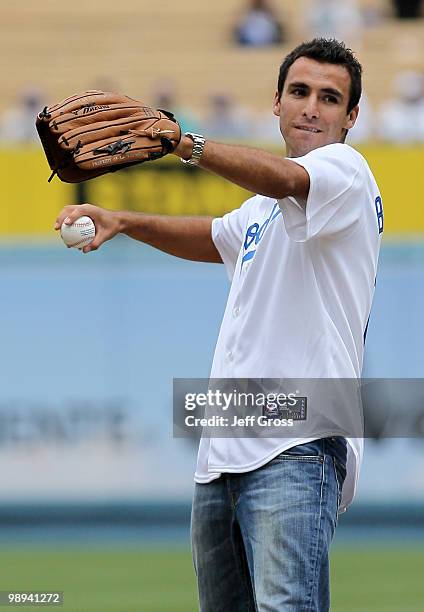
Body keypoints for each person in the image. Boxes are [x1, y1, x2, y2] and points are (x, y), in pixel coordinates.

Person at [54, 38, 383, 611]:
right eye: (299, 92)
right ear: (275, 104)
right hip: (225, 450)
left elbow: (284, 179)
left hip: (297, 444)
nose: (311, 107)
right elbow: (212, 237)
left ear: (351, 116)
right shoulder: (262, 209)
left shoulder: (344, 172)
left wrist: (185, 142)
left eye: (330, 98)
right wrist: (122, 220)